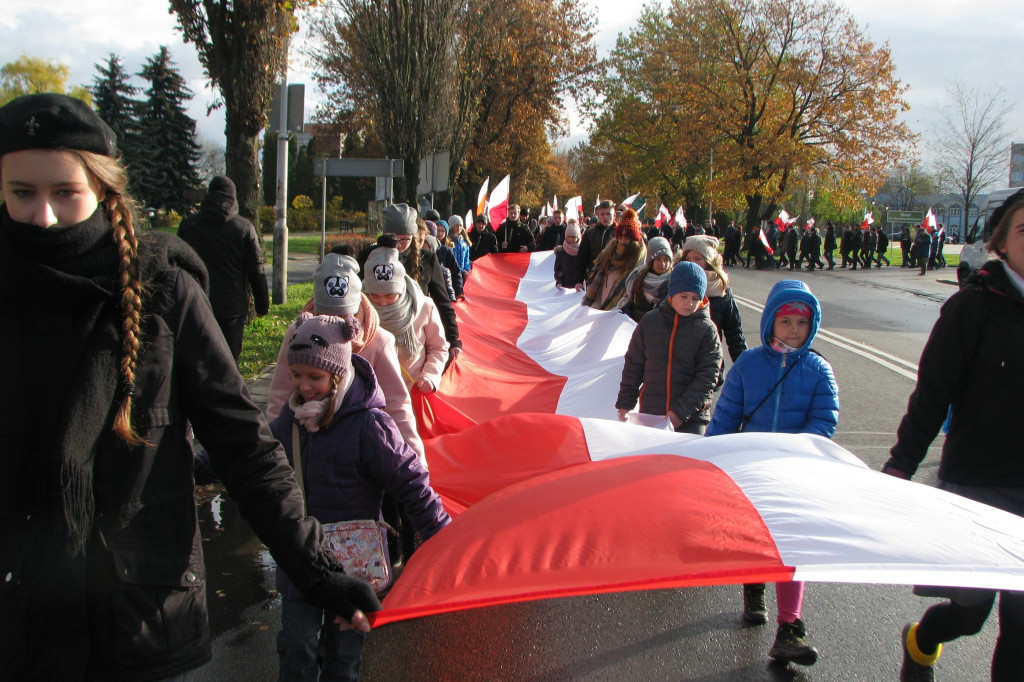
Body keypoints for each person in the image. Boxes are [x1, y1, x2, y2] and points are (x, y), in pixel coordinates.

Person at [0, 93, 380, 680]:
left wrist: (317, 570)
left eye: (63, 193)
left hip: (138, 622)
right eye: (23, 193)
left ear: (101, 191)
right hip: (20, 619)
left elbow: (245, 446)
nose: (43, 216)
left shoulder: (165, 294)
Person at [883, 188, 1024, 682]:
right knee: (968, 615)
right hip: (979, 486)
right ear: (1001, 244)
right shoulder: (973, 308)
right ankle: (920, 643)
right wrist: (900, 467)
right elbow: (932, 393)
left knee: (1022, 631)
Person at [270, 313, 450, 681]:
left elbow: (409, 481)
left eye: (315, 377)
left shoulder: (369, 424)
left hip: (355, 564)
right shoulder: (290, 419)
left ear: (337, 376)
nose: (304, 386)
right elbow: (253, 451)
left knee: (344, 651)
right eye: (298, 375)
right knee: (296, 643)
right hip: (302, 556)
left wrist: (443, 537)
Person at [706, 279, 840, 668]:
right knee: (755, 537)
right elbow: (727, 415)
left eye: (801, 322)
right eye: (786, 322)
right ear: (770, 323)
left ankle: (790, 628)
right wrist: (709, 455)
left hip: (794, 471)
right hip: (752, 468)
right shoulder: (748, 365)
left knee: (792, 546)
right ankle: (753, 584)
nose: (794, 330)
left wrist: (797, 449)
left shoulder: (818, 370)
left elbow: (825, 418)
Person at [266, 250, 425, 462]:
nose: (333, 324)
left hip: (357, 451)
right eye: (325, 316)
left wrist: (416, 461)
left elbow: (397, 405)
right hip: (308, 446)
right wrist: (273, 454)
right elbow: (280, 394)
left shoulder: (378, 340)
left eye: (342, 316)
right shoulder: (298, 333)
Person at [615, 262, 722, 434]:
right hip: (652, 412)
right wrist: (625, 403)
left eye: (696, 298)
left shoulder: (707, 330)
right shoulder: (650, 322)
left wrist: (680, 413)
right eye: (684, 296)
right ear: (672, 294)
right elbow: (634, 364)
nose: (689, 303)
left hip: (691, 417)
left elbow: (707, 377)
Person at [177, 175, 269, 362]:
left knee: (198, 361)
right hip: (231, 307)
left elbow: (178, 267)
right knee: (229, 362)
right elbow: (255, 270)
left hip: (196, 302)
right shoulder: (243, 227)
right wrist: (262, 305)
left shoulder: (189, 226)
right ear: (233, 198)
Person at [357, 204, 462, 362]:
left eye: (405, 239)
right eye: (394, 239)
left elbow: (442, 300)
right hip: (375, 335)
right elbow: (356, 296)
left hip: (414, 340)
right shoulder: (368, 257)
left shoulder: (427, 259)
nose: (398, 245)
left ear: (412, 236)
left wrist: (453, 339)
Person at [362, 247, 449, 394]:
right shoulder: (360, 311)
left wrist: (430, 375)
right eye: (374, 296)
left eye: (390, 296)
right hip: (372, 395)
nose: (382, 303)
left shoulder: (424, 306)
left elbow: (438, 347)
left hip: (412, 392)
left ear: (401, 288)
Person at [677, 235, 747, 384]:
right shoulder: (675, 287)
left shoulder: (721, 291)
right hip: (678, 367)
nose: (692, 263)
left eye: (697, 258)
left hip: (708, 367)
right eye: (688, 258)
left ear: (708, 262)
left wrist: (746, 369)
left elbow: (735, 335)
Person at [581, 207, 647, 310]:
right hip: (602, 309)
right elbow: (598, 284)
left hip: (623, 312)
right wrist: (595, 306)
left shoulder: (639, 264)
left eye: (627, 238)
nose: (623, 242)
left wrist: (614, 312)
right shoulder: (607, 256)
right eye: (620, 238)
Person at [619, 236, 673, 322]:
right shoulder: (637, 278)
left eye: (666, 260)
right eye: (658, 259)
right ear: (650, 261)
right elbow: (628, 303)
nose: (662, 264)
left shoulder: (674, 282)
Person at [576, 199, 617, 289]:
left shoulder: (621, 234)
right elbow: (582, 258)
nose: (605, 217)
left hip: (614, 280)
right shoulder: (589, 233)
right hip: (594, 278)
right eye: (602, 214)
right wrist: (579, 280)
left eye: (608, 214)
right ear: (598, 215)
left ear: (614, 215)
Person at [554, 220, 584, 289]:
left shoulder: (583, 251)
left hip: (579, 287)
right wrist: (559, 281)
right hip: (565, 285)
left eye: (573, 237)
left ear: (578, 237)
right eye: (569, 237)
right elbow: (558, 269)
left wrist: (582, 282)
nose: (571, 239)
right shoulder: (561, 252)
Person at [447, 214, 472, 279]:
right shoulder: (448, 241)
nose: (459, 228)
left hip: (463, 274)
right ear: (452, 227)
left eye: (460, 225)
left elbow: (466, 260)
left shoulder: (465, 242)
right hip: (452, 274)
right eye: (456, 225)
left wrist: (468, 271)